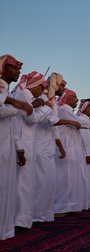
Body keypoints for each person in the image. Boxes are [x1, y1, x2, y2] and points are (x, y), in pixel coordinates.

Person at [12, 71, 53, 229]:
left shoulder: (25, 95)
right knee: (23, 185)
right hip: (22, 144)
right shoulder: (24, 94)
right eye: (42, 86)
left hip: (27, 144)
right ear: (35, 85)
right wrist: (45, 107)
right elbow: (32, 118)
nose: (43, 89)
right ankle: (19, 222)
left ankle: (23, 220)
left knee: (27, 184)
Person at [0, 54, 32, 240]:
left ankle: (5, 229)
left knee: (6, 188)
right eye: (15, 68)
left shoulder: (6, 89)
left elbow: (13, 124)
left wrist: (18, 147)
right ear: (4, 68)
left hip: (7, 145)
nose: (19, 71)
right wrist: (20, 107)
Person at [33, 72, 68, 223]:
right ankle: (35, 215)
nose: (64, 89)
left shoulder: (51, 101)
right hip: (38, 145)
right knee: (41, 182)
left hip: (48, 146)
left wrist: (59, 146)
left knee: (48, 182)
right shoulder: (43, 100)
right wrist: (71, 122)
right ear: (56, 85)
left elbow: (54, 128)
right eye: (63, 85)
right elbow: (51, 121)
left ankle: (45, 214)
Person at [54, 88, 84, 214]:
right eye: (74, 97)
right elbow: (80, 122)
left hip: (72, 147)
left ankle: (70, 206)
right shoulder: (63, 109)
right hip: (66, 146)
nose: (77, 99)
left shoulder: (69, 111)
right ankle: (59, 207)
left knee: (72, 177)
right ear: (66, 99)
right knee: (64, 177)